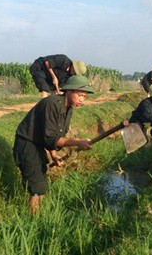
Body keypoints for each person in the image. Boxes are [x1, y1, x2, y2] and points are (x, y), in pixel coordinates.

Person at [13, 75, 94, 214]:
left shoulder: (68, 108)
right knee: (37, 188)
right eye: (80, 95)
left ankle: (37, 215)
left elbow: (52, 135)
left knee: (42, 185)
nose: (82, 100)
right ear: (68, 91)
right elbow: (52, 139)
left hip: (38, 144)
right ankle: (32, 220)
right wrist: (78, 142)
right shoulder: (51, 103)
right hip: (27, 143)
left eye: (84, 97)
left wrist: (54, 155)